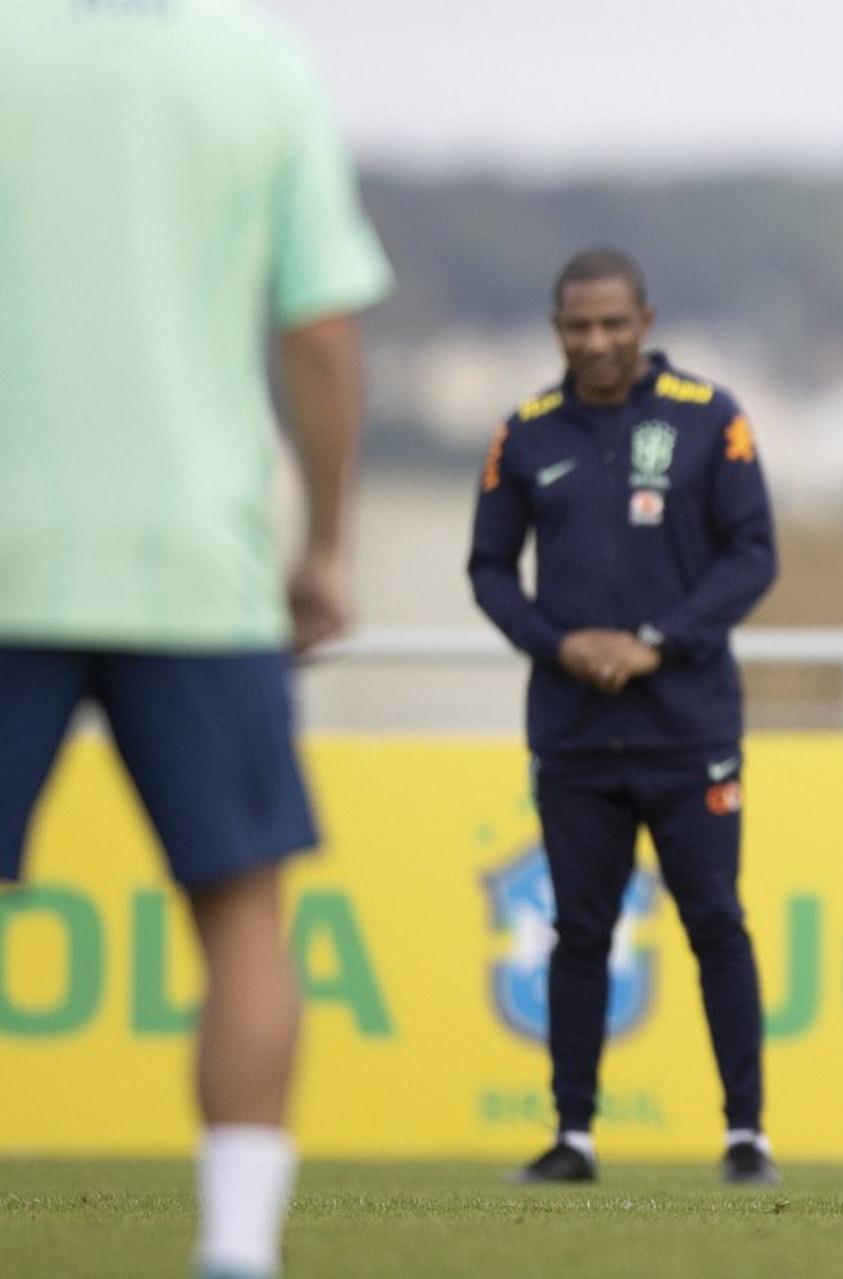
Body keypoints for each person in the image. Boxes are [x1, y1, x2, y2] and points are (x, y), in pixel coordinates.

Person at [0, 2, 391, 1275]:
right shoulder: (256, 61)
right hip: (199, 565)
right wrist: (324, 545)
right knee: (240, 918)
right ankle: (234, 1254)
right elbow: (322, 335)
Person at [468, 249, 780, 1186]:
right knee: (579, 931)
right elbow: (487, 569)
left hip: (689, 725)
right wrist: (559, 645)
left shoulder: (709, 415)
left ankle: (745, 1134)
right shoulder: (523, 433)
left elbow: (753, 555)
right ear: (558, 327)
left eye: (612, 323)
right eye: (577, 326)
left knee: (715, 922)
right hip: (572, 731)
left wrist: (655, 641)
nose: (596, 341)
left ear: (644, 318)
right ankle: (573, 1134)